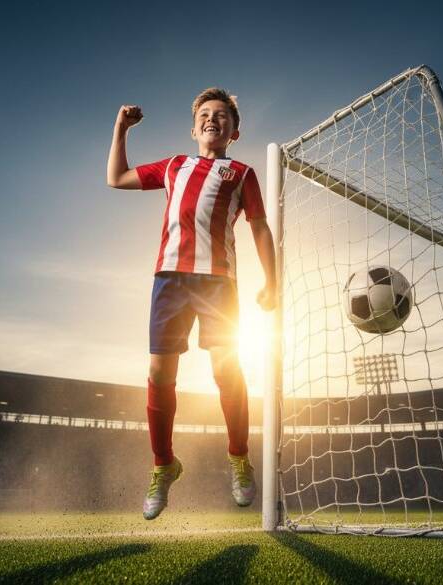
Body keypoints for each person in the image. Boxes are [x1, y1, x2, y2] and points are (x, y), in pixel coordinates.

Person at [106, 88, 277, 520]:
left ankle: (239, 456)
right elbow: (117, 178)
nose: (212, 119)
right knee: (160, 372)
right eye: (205, 113)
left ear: (234, 132)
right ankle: (164, 464)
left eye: (222, 115)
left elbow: (259, 228)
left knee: (226, 367)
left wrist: (273, 281)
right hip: (169, 279)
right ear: (194, 125)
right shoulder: (174, 166)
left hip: (218, 282)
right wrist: (120, 129)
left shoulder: (241, 173)